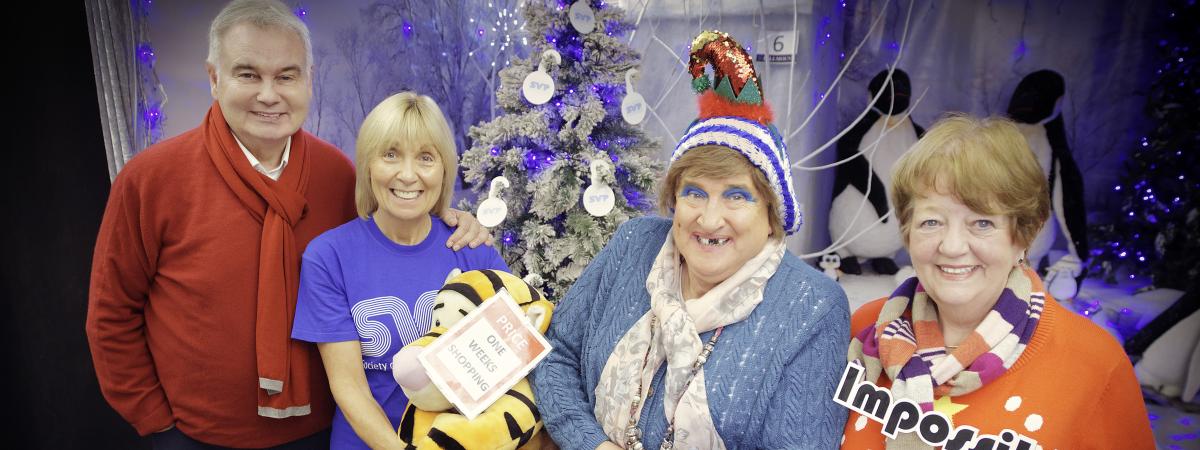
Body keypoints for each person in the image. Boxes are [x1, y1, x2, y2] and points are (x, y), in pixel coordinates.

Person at [85, 1, 489, 448]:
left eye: (286, 76)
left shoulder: (337, 176)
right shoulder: (151, 179)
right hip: (194, 435)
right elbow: (111, 313)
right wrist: (154, 419)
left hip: (320, 430)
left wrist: (453, 219)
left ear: (309, 79)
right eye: (248, 74)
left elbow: (391, 235)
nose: (269, 94)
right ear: (214, 78)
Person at [531, 30, 850, 450]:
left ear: (773, 216)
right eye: (694, 192)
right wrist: (591, 443)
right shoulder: (635, 245)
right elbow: (555, 351)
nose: (709, 218)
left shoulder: (812, 307)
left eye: (737, 196)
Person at [840, 115, 1154, 449]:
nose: (952, 246)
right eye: (931, 221)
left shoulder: (1094, 365)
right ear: (907, 231)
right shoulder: (865, 329)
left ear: (1023, 235)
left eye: (982, 223)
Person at [290, 92, 510, 449]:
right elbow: (350, 387)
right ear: (368, 165)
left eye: (425, 157)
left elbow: (510, 363)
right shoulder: (328, 257)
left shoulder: (473, 251)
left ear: (443, 169)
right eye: (390, 155)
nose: (408, 175)